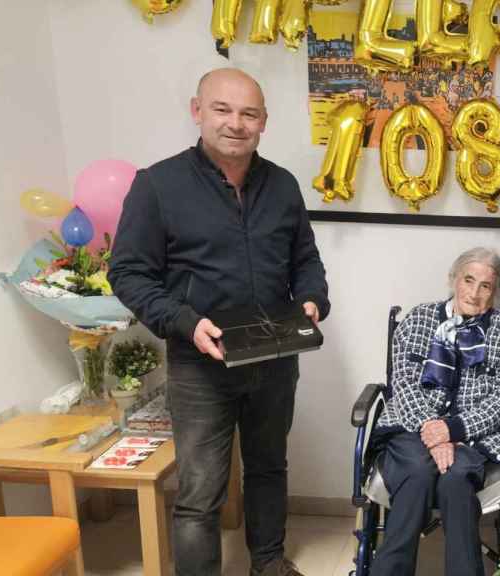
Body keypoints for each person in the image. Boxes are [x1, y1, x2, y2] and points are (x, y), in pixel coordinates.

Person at [109, 68, 329, 576]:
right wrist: (185, 323)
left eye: (249, 113)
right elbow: (128, 273)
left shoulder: (282, 185)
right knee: (199, 492)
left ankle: (269, 563)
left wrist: (314, 298)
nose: (236, 123)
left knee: (269, 468)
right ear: (197, 111)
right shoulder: (157, 186)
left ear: (264, 122)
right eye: (222, 110)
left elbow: (305, 260)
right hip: (198, 364)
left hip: (274, 358)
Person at [367, 247, 500, 576]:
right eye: (468, 280)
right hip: (410, 429)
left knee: (455, 480)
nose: (474, 292)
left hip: (474, 438)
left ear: (495, 293)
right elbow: (404, 384)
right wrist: (434, 434)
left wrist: (453, 431)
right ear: (454, 279)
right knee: (418, 471)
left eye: (486, 286)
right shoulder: (419, 318)